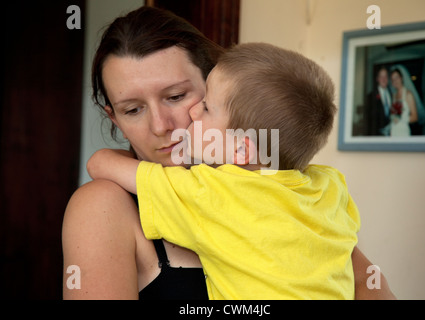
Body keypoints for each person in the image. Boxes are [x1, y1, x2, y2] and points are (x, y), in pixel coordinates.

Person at [62, 6, 396, 300]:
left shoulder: (282, 188)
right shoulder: (102, 206)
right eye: (133, 109)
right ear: (114, 118)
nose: (162, 125)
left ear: (215, 83)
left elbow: (368, 285)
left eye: (177, 96)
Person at [389, 65, 425, 136]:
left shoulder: (408, 95)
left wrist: (400, 119)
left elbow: (415, 117)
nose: (395, 81)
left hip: (403, 131)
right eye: (393, 79)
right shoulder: (393, 96)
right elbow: (393, 114)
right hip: (393, 130)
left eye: (397, 77)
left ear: (401, 78)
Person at [364, 66, 391, 136]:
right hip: (377, 135)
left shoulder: (392, 94)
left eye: (386, 76)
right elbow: (369, 121)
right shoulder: (370, 96)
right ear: (377, 79)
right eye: (381, 77)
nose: (384, 79)